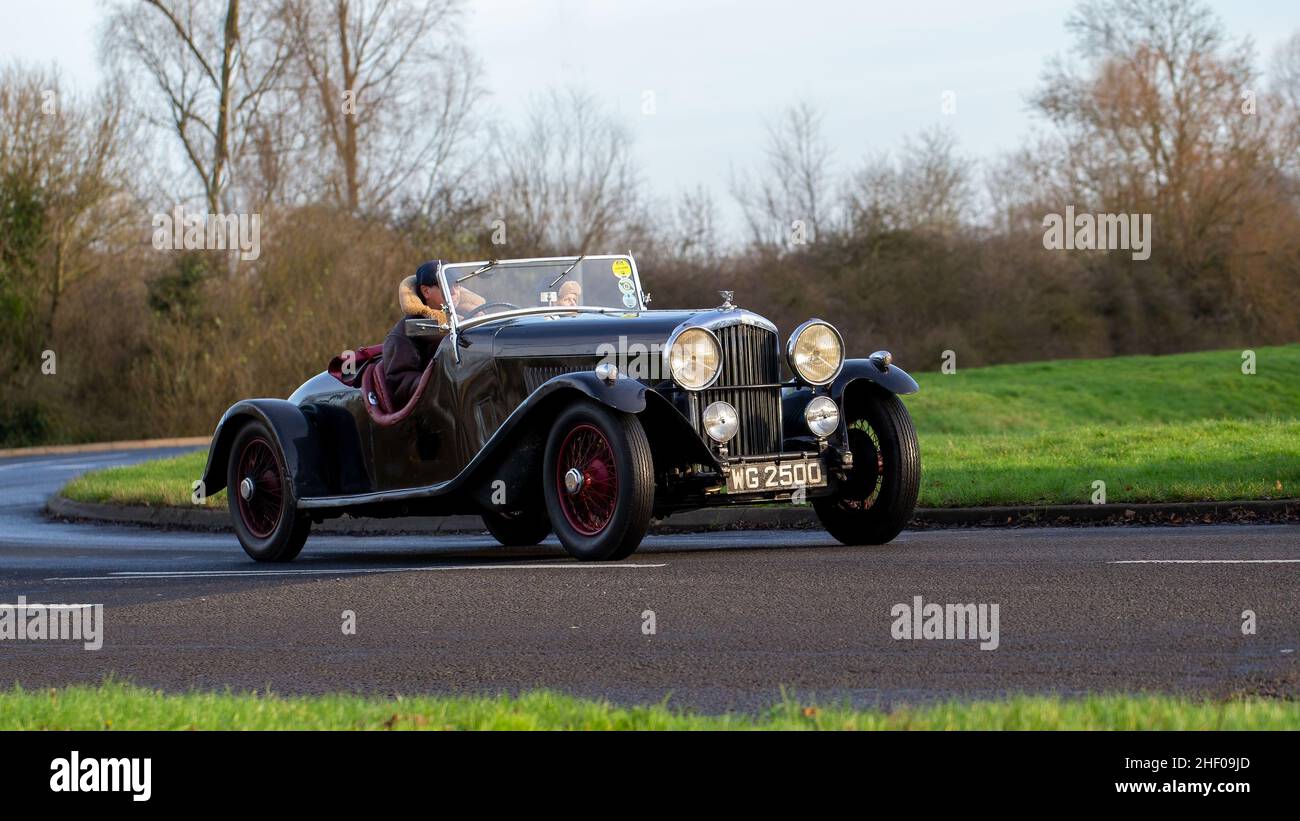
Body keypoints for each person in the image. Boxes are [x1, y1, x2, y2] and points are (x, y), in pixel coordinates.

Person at [383, 260, 453, 410]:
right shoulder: (407, 329)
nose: (455, 290)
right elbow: (398, 381)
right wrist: (440, 386)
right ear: (426, 291)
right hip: (438, 409)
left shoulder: (475, 316)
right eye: (446, 285)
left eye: (458, 284)